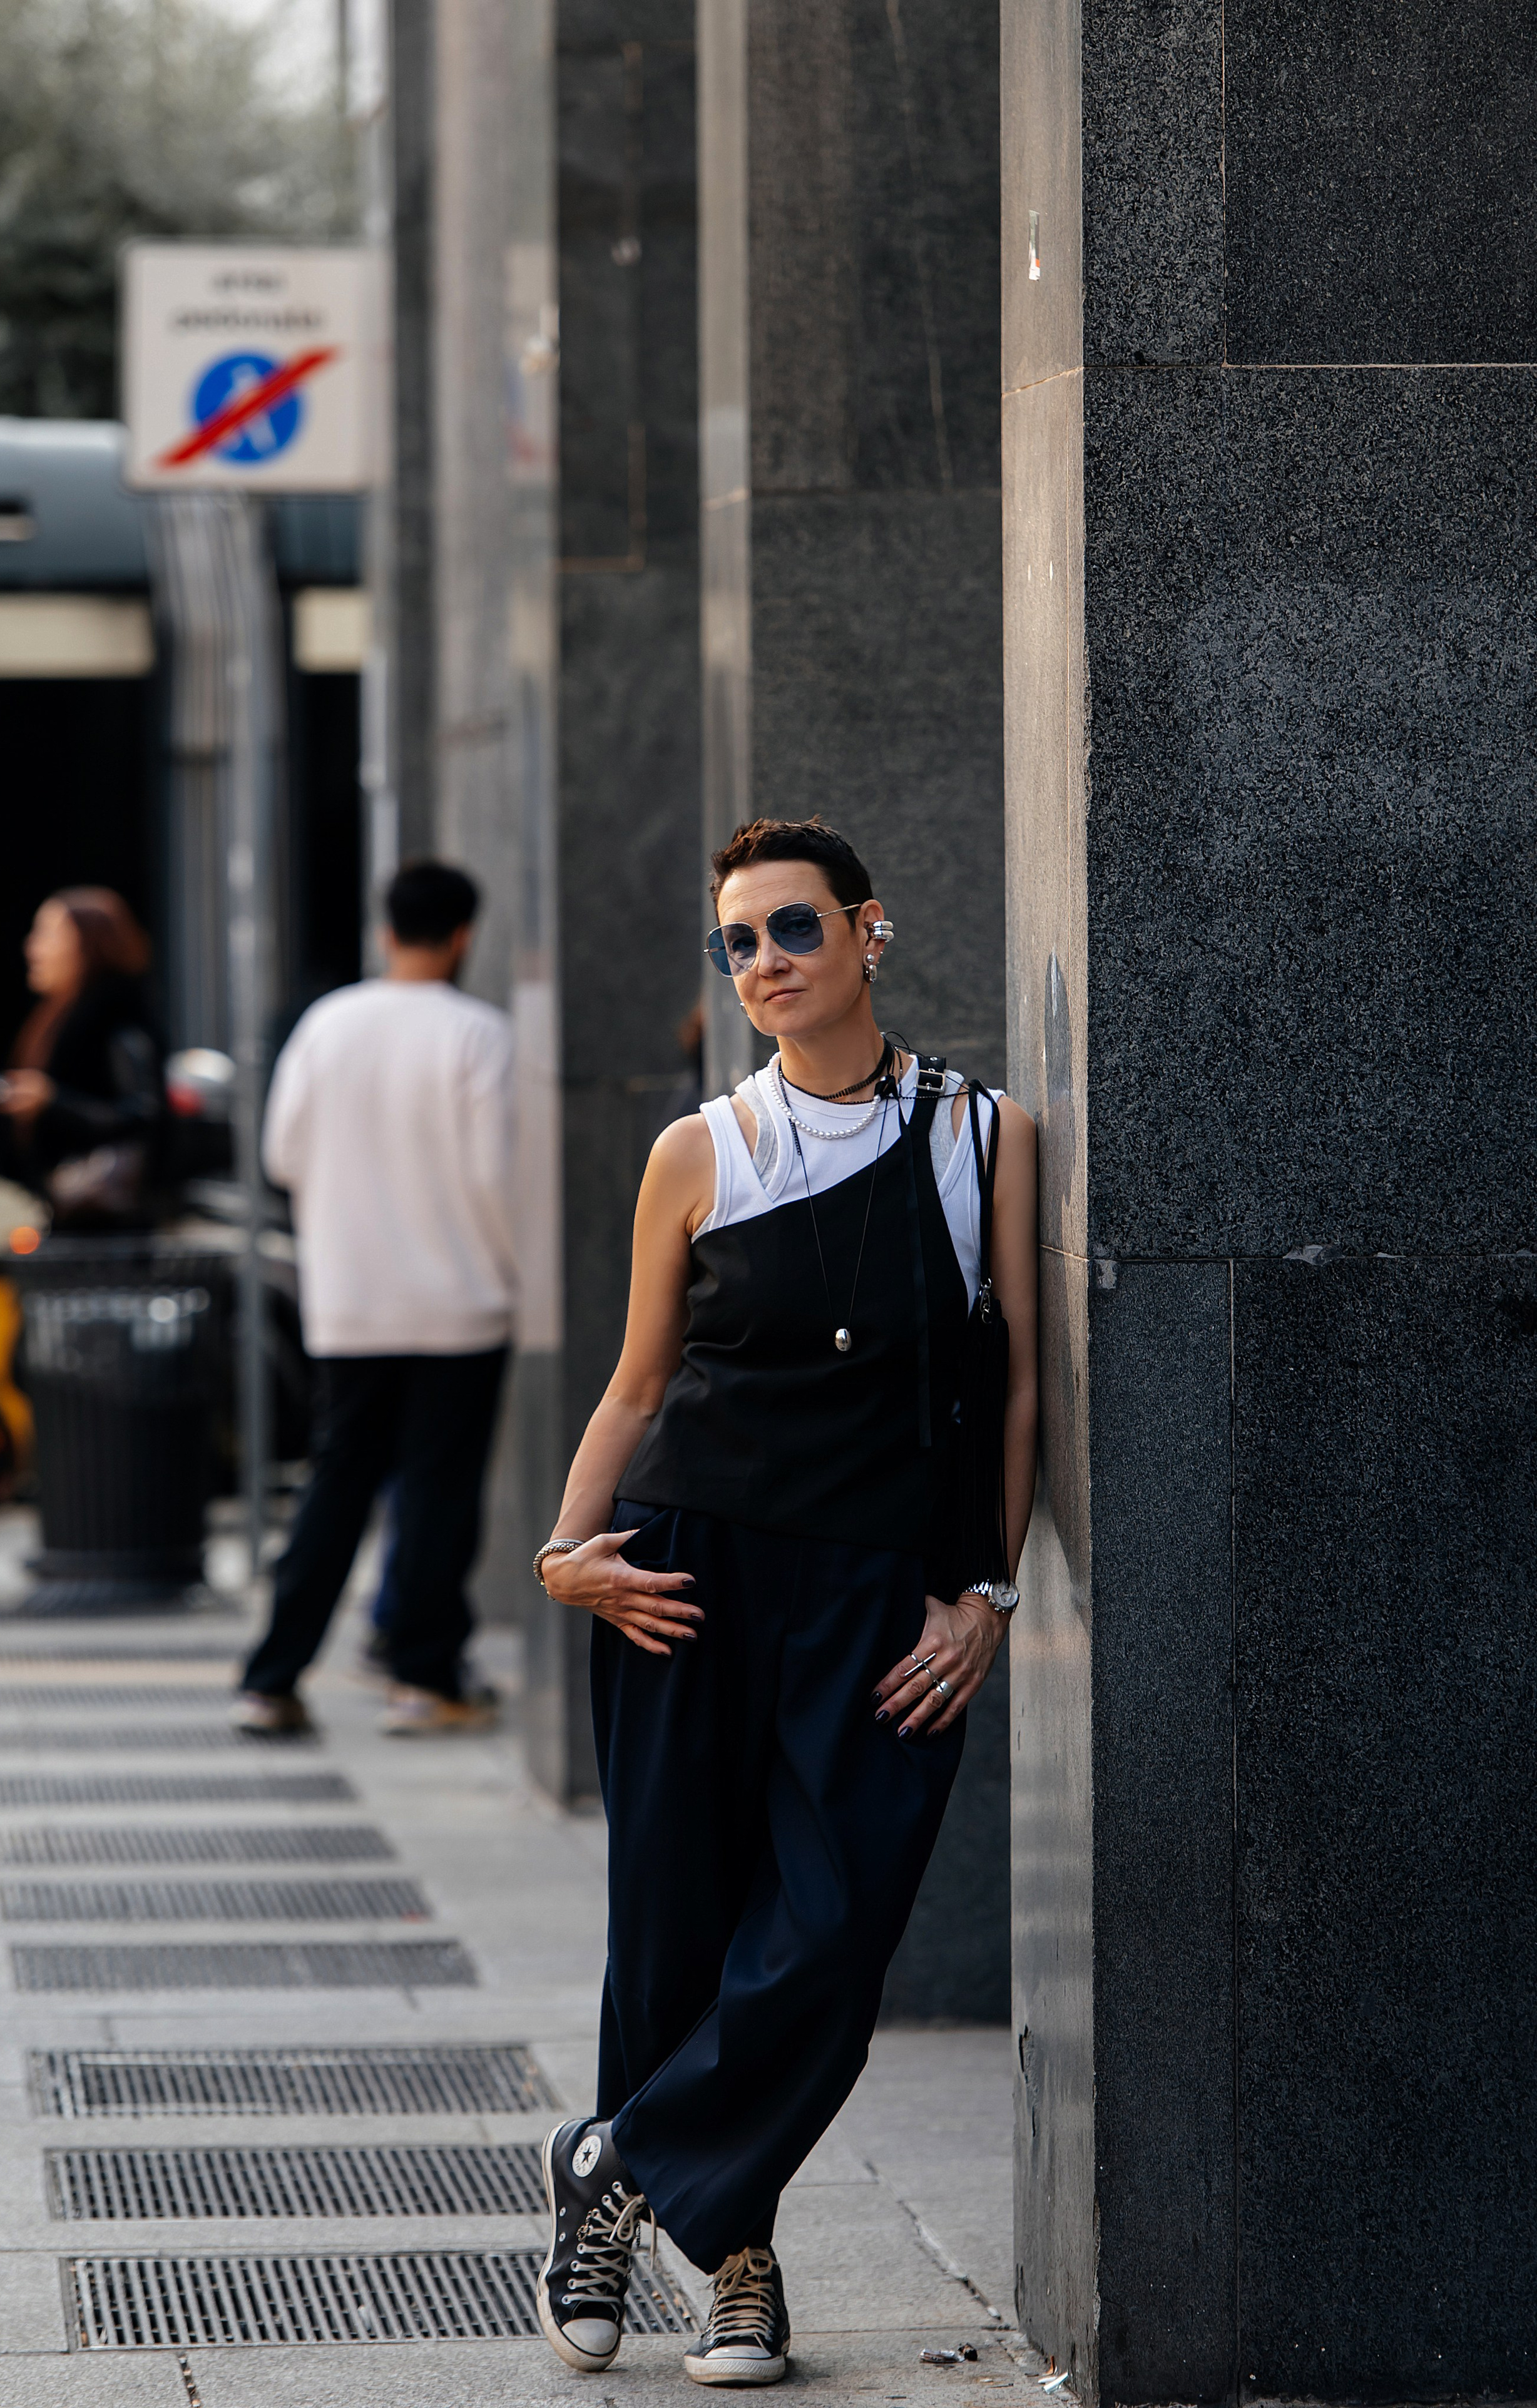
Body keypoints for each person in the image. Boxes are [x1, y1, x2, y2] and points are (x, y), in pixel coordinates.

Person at [531, 817, 1038, 2387]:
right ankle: (733, 2261)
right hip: (686, 1574)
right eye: (737, 940)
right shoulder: (700, 1147)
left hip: (882, 1592)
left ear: (868, 931)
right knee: (671, 1919)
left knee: (833, 1926)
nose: (764, 961)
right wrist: (564, 1549)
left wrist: (987, 1588)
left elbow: (1018, 1382)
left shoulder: (980, 1133)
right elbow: (636, 1383)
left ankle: (614, 2156)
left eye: (794, 927)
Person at [232, 858, 515, 1739]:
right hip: (462, 1302)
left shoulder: (327, 1024)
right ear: (464, 935)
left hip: (349, 1302)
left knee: (336, 1485)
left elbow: (281, 1155)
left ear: (385, 929)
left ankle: (271, 1678)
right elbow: (497, 1177)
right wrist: (514, 1276)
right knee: (438, 1492)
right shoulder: (479, 1034)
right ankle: (423, 1680)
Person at [0, 889, 165, 1223]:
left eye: (46, 935)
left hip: (109, 1225)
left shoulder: (116, 1018)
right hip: (67, 1212)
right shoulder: (58, 1016)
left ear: (87, 944)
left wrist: (52, 1103)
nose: (32, 948)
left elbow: (143, 1114)